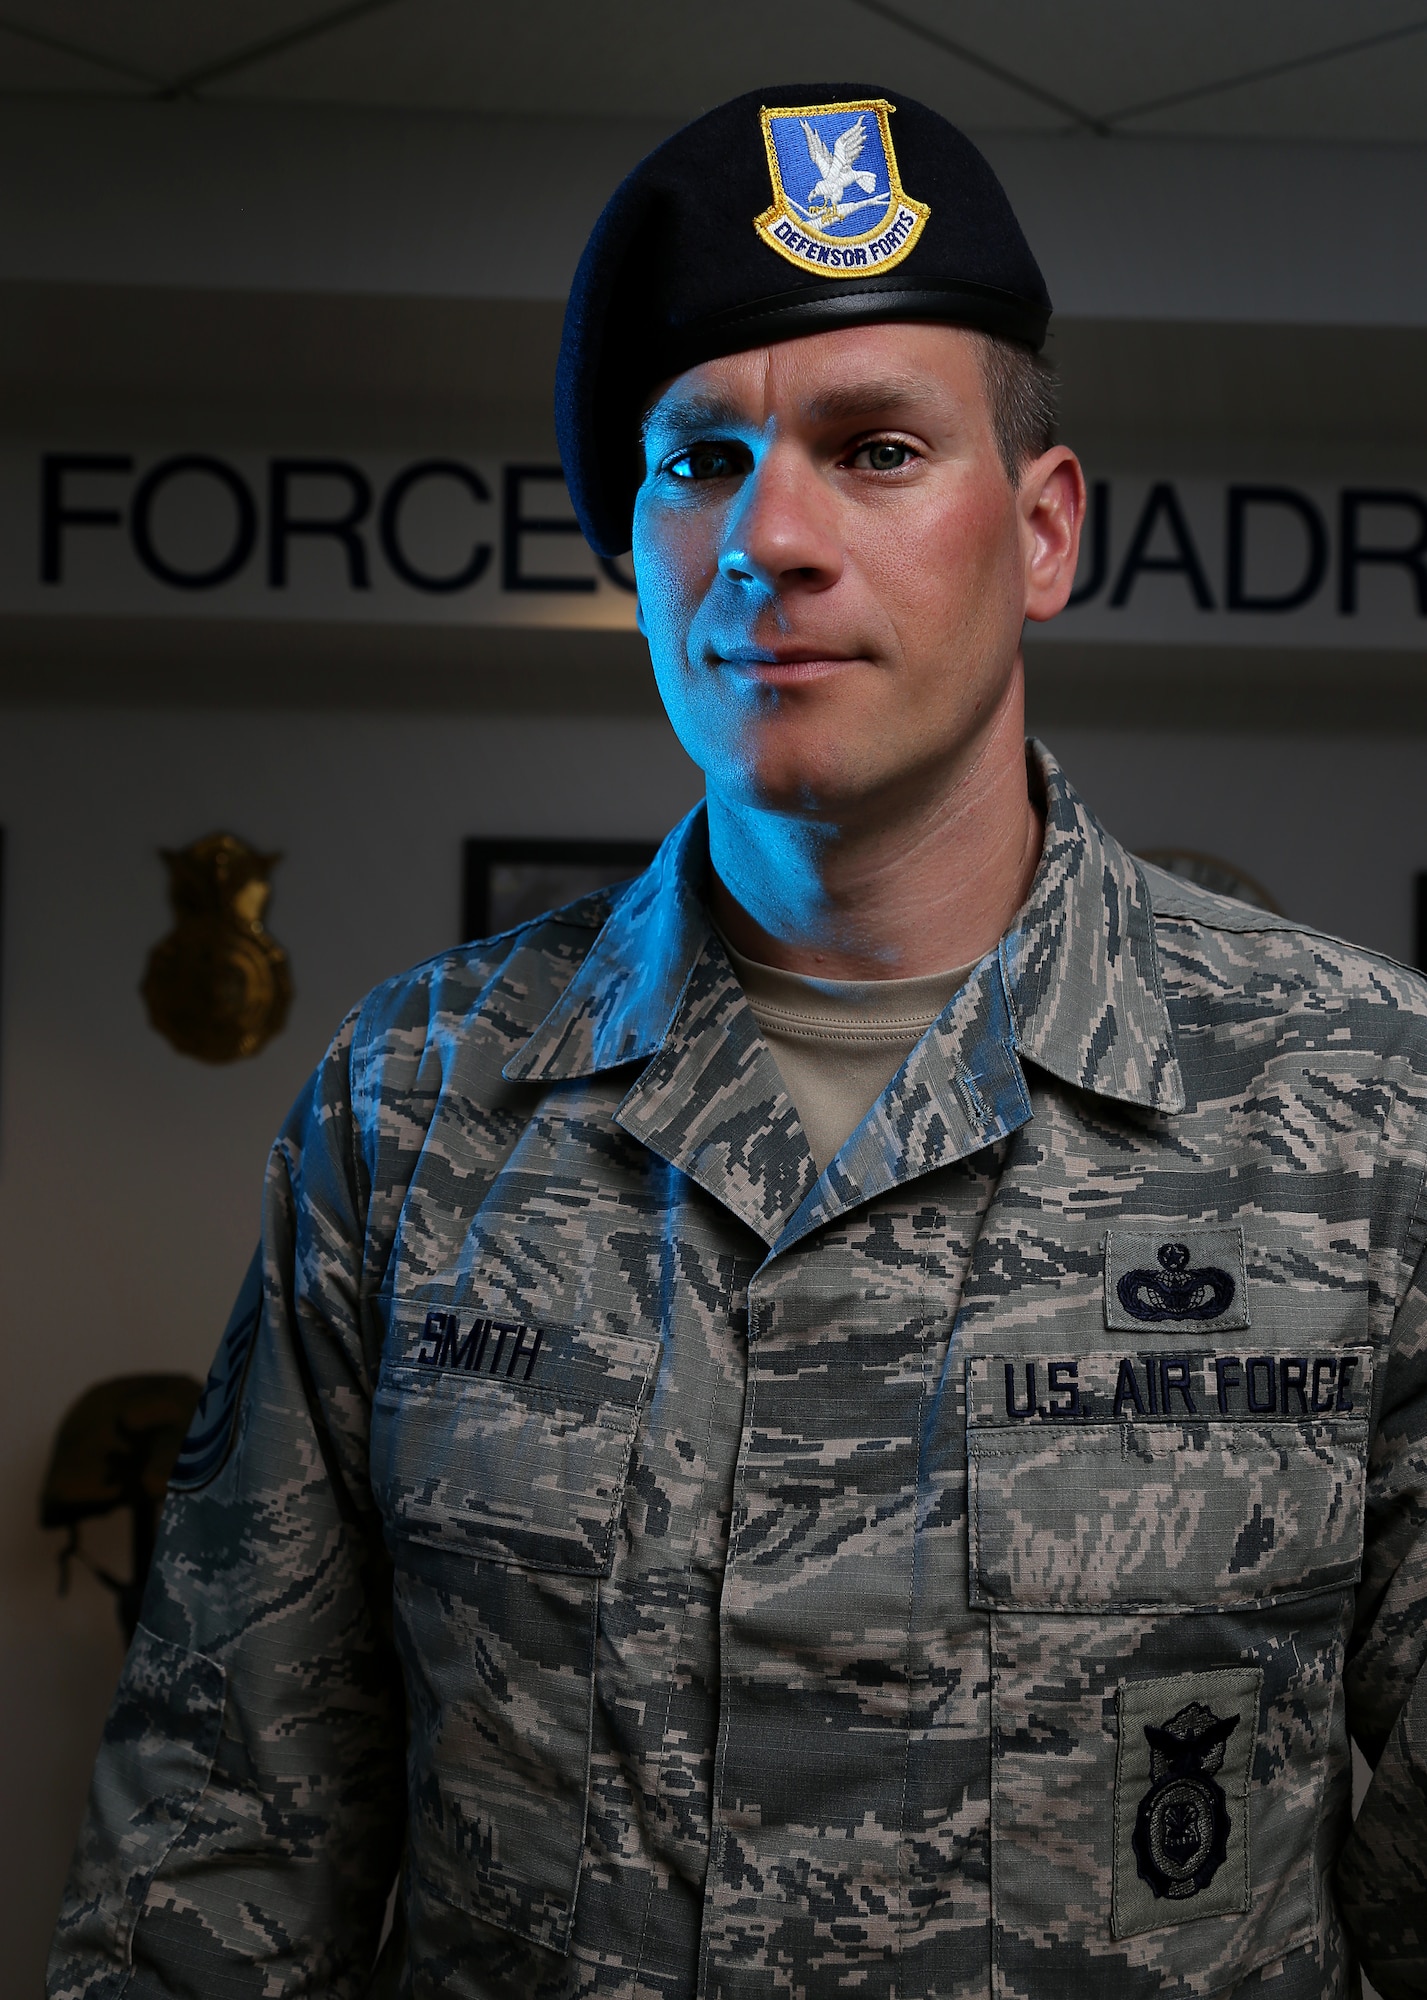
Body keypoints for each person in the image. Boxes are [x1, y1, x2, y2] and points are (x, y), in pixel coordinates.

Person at [50, 82, 1427, 2000]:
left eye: (873, 448)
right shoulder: (418, 1105)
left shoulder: (1363, 1106)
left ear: (1041, 530)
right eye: (700, 460)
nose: (770, 534)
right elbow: (217, 1858)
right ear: (637, 539)